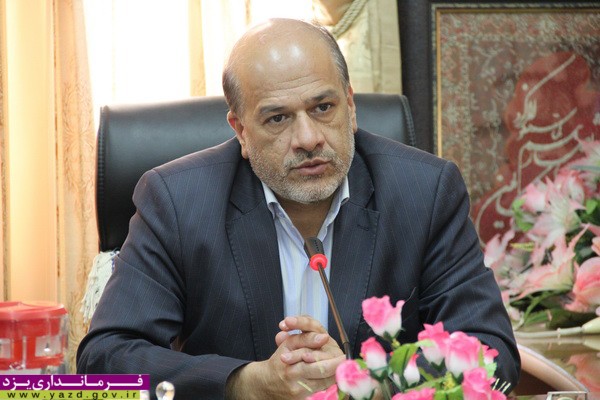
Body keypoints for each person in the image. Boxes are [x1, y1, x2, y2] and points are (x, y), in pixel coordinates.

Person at [77, 18, 520, 399]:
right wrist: (247, 383)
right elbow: (103, 362)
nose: (308, 138)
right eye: (278, 118)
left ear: (350, 106)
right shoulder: (177, 201)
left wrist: (362, 382)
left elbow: (492, 352)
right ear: (241, 131)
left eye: (323, 107)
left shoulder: (424, 192)